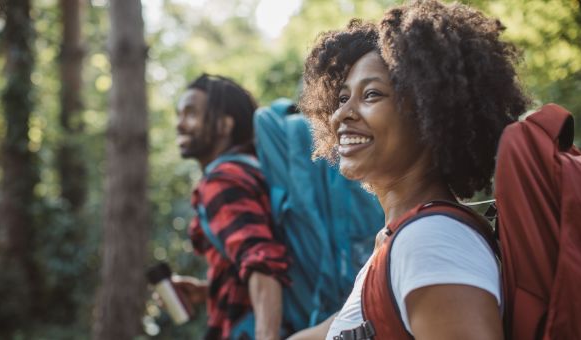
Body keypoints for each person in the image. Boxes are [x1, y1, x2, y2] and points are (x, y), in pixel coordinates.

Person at [290, 1, 529, 339]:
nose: (342, 114)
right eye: (342, 98)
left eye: (371, 95)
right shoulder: (399, 242)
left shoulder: (430, 242)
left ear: (431, 114)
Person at [173, 73, 290, 340]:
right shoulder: (255, 171)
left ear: (224, 125)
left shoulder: (222, 181)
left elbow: (262, 262)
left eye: (191, 114)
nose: (179, 124)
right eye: (179, 114)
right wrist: (207, 290)